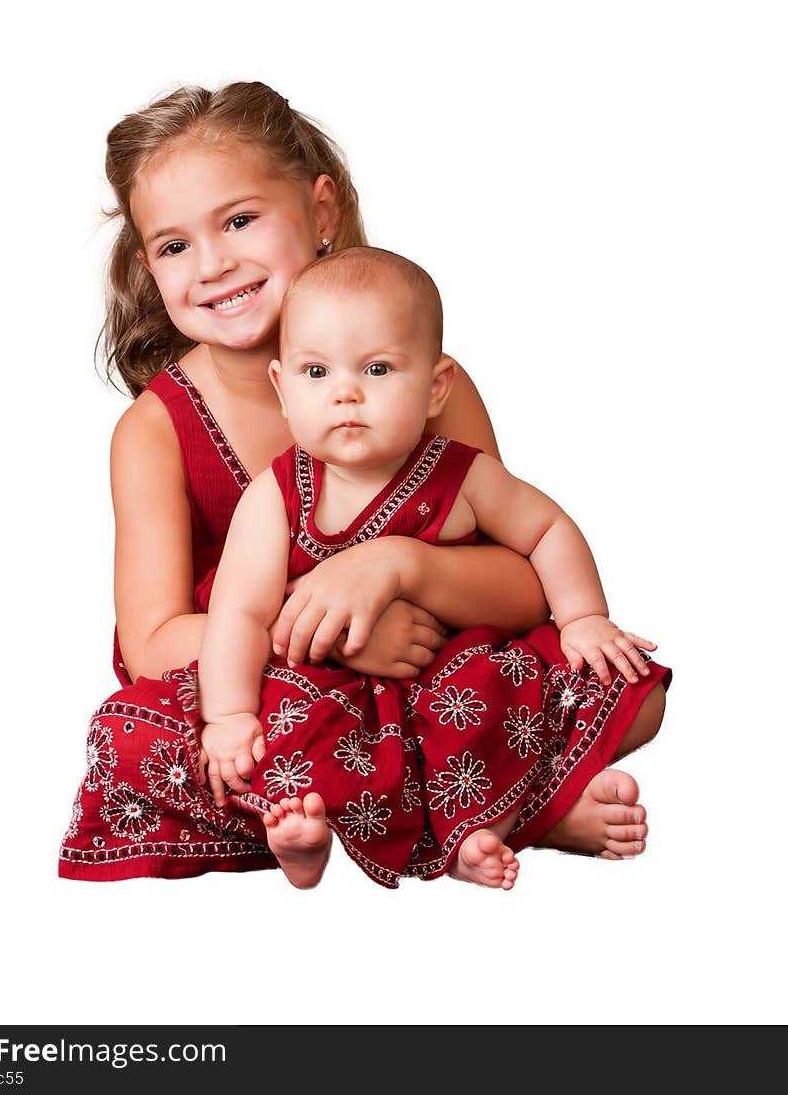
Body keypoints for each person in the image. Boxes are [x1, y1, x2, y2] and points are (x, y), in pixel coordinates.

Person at [59, 81, 667, 883]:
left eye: (240, 221)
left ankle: (458, 811)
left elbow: (523, 588)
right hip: (275, 695)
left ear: (321, 212)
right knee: (133, 734)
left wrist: (397, 568)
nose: (212, 265)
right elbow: (151, 646)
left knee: (622, 681)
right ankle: (514, 810)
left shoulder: (420, 383)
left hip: (435, 679)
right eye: (174, 247)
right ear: (148, 266)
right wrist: (337, 639)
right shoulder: (155, 430)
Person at [198, 248, 670, 889]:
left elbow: (547, 529)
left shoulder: (463, 472)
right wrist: (228, 715)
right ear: (282, 389)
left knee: (620, 688)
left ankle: (481, 830)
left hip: (457, 685)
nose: (346, 392)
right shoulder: (275, 495)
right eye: (316, 372)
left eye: (378, 368)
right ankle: (307, 837)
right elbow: (240, 612)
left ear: (435, 386)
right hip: (342, 704)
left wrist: (582, 617)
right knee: (270, 733)